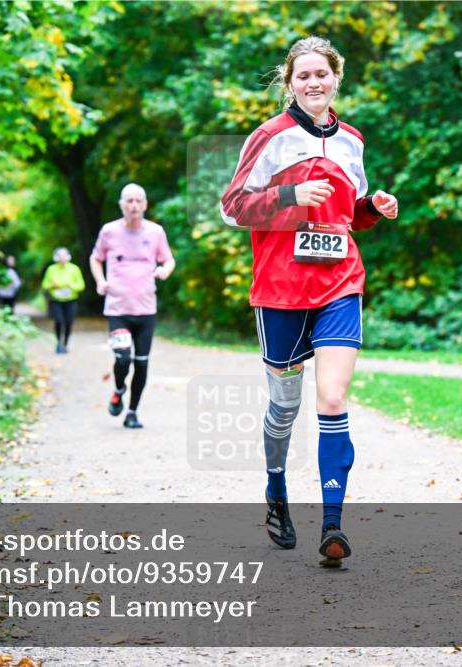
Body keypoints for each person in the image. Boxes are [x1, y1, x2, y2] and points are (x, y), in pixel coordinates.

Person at [220, 36, 398, 564]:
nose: (313, 83)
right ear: (289, 82)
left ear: (336, 77)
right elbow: (233, 208)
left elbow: (347, 213)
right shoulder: (269, 136)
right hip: (280, 289)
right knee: (284, 406)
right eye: (303, 76)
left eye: (322, 73)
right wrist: (289, 195)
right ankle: (276, 489)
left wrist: (373, 206)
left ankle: (333, 526)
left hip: (340, 281)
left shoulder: (353, 141)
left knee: (333, 400)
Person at [89, 183, 176, 429]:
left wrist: (164, 271)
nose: (134, 205)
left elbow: (168, 259)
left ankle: (133, 411)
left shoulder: (156, 232)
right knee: (123, 359)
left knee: (141, 362)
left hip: (146, 309)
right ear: (121, 205)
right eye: (129, 201)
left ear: (145, 205)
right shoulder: (109, 231)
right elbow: (96, 258)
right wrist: (100, 281)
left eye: (138, 201)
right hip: (118, 309)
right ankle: (118, 389)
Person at [42, 247, 85, 353]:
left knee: (69, 322)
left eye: (64, 256)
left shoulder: (74, 269)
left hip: (71, 300)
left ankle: (65, 343)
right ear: (56, 257)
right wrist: (52, 285)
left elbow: (81, 285)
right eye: (60, 256)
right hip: (56, 300)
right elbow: (44, 284)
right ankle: (58, 343)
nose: (62, 258)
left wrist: (72, 286)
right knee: (59, 321)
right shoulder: (51, 269)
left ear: (68, 257)